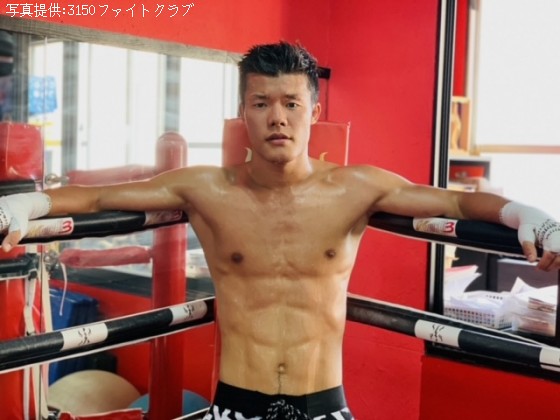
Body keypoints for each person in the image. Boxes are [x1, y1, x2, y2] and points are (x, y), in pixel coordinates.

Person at [1, 41, 559, 419]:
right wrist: (27, 204)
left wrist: (528, 215)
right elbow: (98, 197)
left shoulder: (356, 188)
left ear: (313, 111)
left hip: (325, 406)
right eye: (261, 103)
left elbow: (457, 199)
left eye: (292, 103)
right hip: (235, 405)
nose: (277, 118)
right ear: (242, 111)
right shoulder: (206, 188)